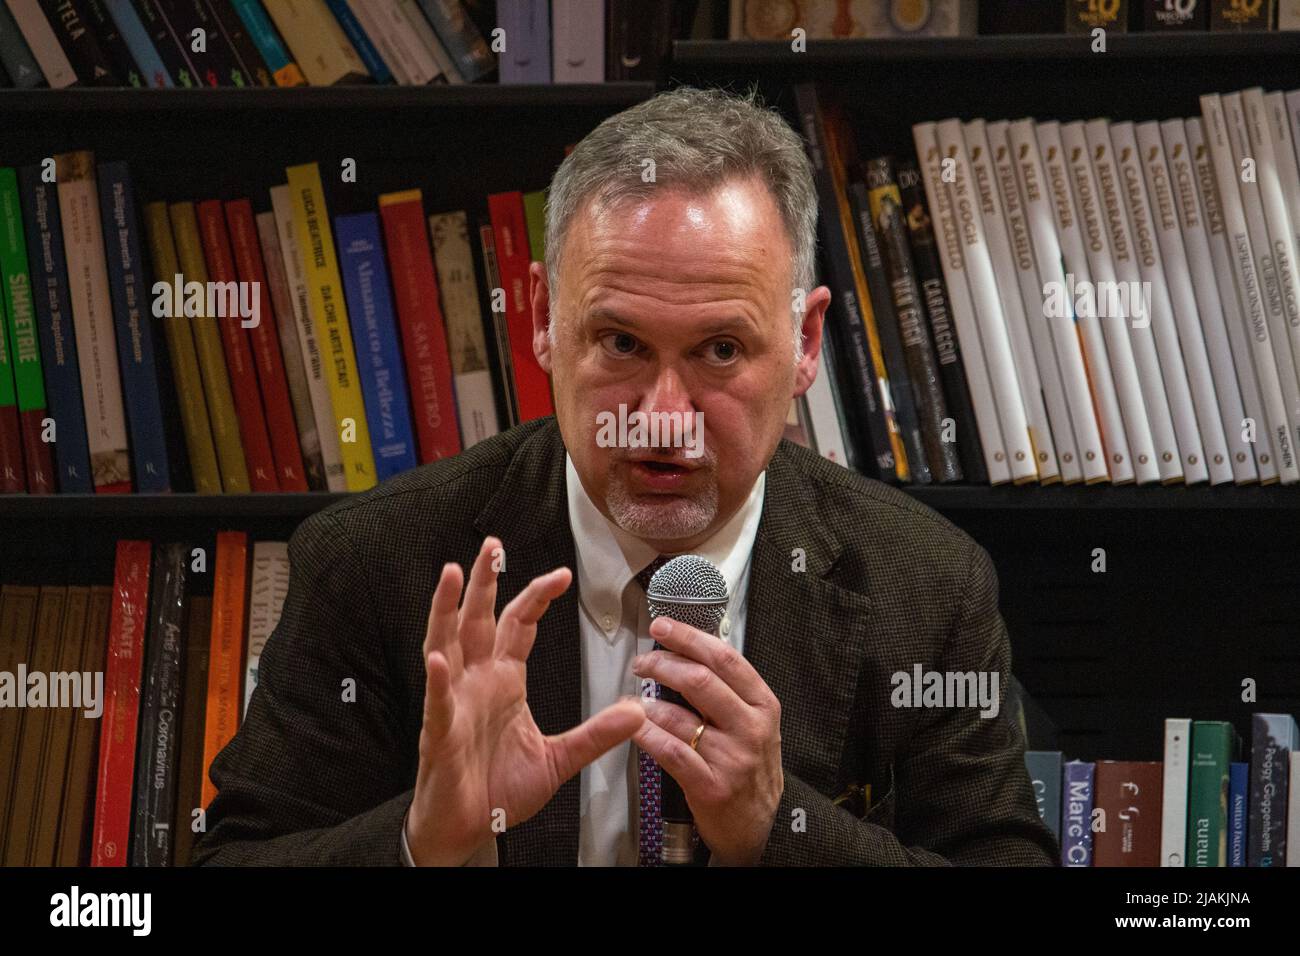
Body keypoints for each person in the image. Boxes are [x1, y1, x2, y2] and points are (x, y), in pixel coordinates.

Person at [191, 86, 1058, 867]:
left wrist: (778, 827)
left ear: (803, 345)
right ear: (542, 320)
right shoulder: (376, 561)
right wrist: (425, 843)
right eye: (621, 344)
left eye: (720, 350)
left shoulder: (928, 587)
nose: (661, 417)